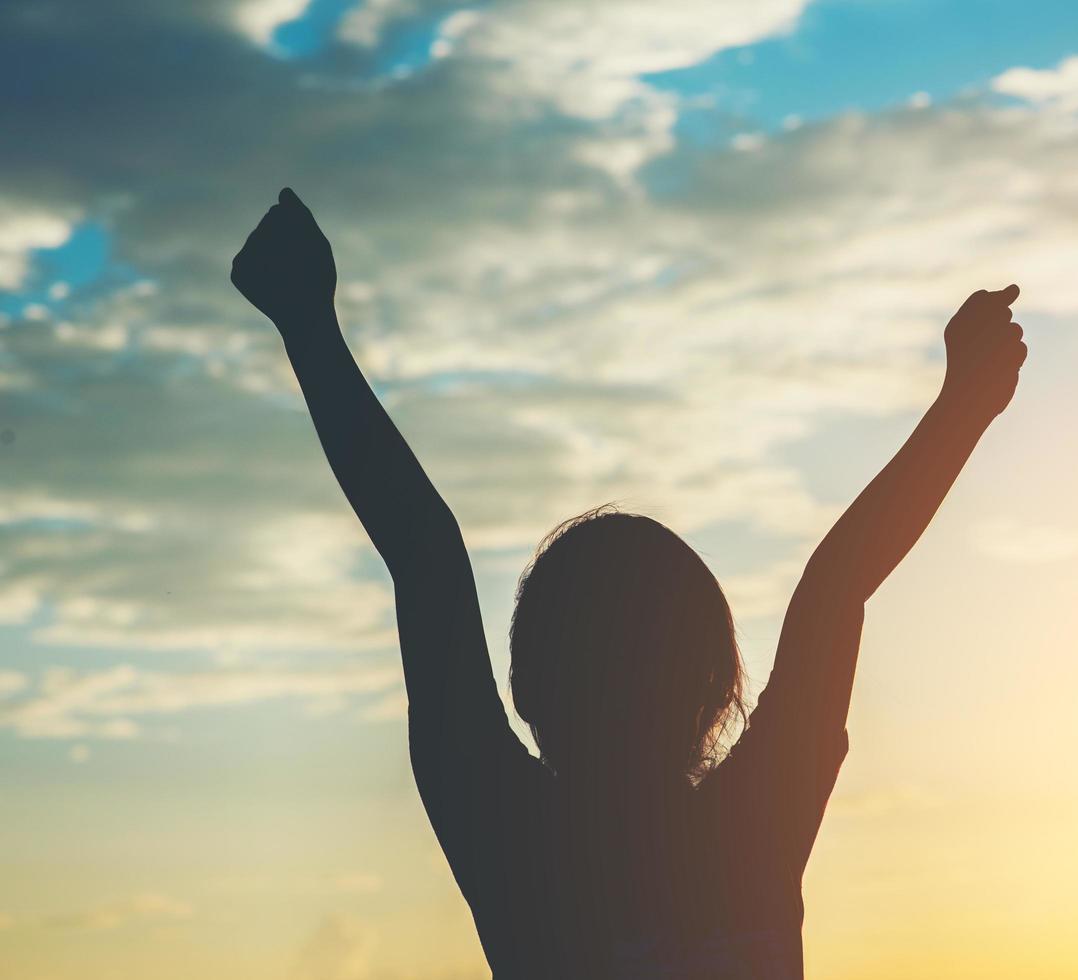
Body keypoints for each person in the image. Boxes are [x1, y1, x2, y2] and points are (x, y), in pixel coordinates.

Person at [231, 188, 1027, 979]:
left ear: (527, 686)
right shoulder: (750, 830)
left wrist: (308, 324)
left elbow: (424, 554)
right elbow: (835, 588)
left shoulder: (508, 840)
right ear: (715, 688)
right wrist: (962, 407)